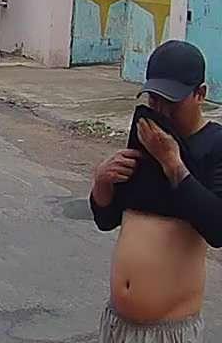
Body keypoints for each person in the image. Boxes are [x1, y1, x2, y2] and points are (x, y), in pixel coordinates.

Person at [89, 39, 222, 343]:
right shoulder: (146, 142)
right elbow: (107, 219)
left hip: (169, 331)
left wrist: (173, 164)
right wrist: (102, 182)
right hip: (117, 325)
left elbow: (217, 229)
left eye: (172, 102)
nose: (161, 111)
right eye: (154, 100)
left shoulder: (214, 145)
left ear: (200, 94)